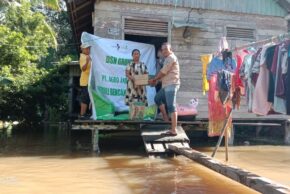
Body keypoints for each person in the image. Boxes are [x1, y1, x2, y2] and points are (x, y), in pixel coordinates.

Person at [149, 43, 180, 136]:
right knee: (157, 98)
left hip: (172, 84)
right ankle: (166, 118)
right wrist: (156, 81)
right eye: (163, 50)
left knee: (171, 106)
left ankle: (174, 130)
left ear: (171, 49)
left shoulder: (171, 58)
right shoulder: (166, 59)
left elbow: (163, 72)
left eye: (166, 49)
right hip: (166, 85)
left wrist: (154, 79)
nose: (164, 51)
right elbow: (163, 75)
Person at [79, 43, 91, 119]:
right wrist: (87, 62)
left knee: (88, 98)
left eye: (88, 48)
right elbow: (83, 69)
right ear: (82, 49)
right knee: (85, 98)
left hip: (89, 81)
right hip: (85, 81)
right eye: (86, 48)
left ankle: (85, 114)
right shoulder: (82, 57)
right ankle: (82, 114)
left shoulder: (88, 56)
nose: (88, 50)